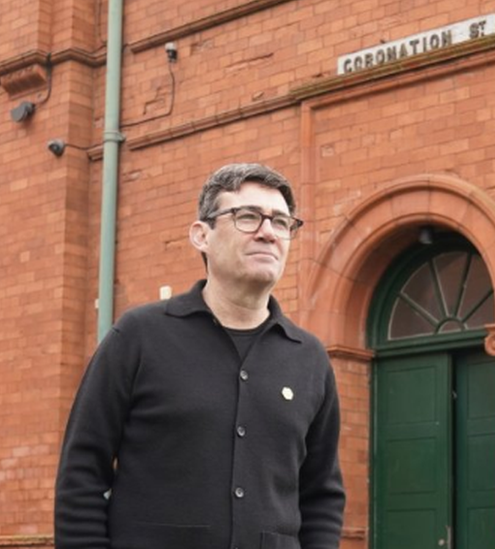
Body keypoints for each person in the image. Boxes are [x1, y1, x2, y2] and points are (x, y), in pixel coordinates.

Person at [55, 163, 345, 549]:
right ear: (201, 236)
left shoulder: (309, 358)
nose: (267, 232)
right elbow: (81, 474)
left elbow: (321, 493)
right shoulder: (140, 337)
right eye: (247, 217)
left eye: (281, 222)